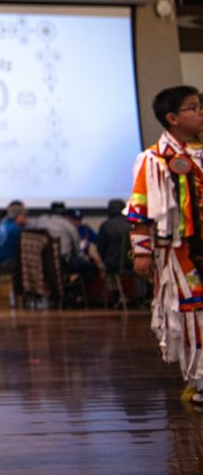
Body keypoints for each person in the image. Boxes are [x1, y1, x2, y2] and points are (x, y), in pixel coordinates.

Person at [127, 85, 203, 406]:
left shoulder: (198, 155)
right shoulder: (154, 160)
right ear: (172, 118)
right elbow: (140, 208)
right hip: (179, 254)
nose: (200, 113)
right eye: (193, 108)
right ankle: (199, 381)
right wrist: (143, 251)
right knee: (191, 314)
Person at [0, 200, 27, 271]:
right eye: (24, 215)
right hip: (9, 261)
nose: (26, 218)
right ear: (19, 216)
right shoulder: (15, 229)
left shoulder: (4, 224)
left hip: (2, 259)